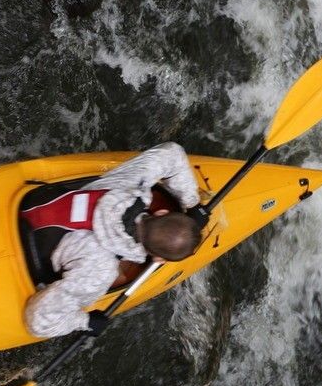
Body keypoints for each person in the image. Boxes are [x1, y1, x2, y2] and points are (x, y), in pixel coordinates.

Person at [23, 142, 209, 339]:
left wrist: (192, 203)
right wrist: (84, 321)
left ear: (161, 212)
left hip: (28, 210)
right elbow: (38, 320)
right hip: (35, 260)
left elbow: (172, 153)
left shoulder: (126, 184)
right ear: (157, 257)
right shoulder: (100, 271)